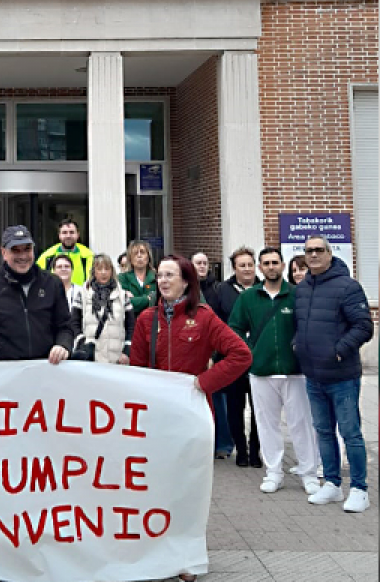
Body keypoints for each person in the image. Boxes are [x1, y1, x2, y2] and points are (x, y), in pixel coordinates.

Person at [128, 254, 252, 582]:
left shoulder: (205, 318)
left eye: (170, 275)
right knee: (153, 488)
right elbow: (137, 370)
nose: (164, 281)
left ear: (186, 281)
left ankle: (185, 558)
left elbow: (241, 354)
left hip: (192, 417)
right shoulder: (146, 319)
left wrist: (203, 383)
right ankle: (153, 552)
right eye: (160, 276)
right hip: (155, 419)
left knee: (187, 490)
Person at [227, 248, 320, 495]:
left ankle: (309, 473)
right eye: (266, 263)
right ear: (260, 267)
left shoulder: (297, 295)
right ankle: (274, 472)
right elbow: (234, 328)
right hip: (261, 371)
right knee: (267, 425)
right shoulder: (248, 298)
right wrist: (250, 352)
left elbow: (310, 326)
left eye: (275, 262)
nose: (271, 267)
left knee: (302, 424)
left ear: (282, 265)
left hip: (295, 371)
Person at [294, 233, 375, 512]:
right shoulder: (303, 288)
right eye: (308, 251)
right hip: (313, 375)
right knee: (323, 431)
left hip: (342, 377)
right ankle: (331, 484)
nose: (313, 255)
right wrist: (298, 345)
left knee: (350, 433)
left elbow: (364, 326)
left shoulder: (348, 287)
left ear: (330, 253)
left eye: (318, 250)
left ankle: (360, 489)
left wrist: (339, 349)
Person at [0, 225, 75, 368]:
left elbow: (65, 327)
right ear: (4, 252)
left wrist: (63, 345)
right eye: (15, 250)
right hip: (2, 372)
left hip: (45, 370)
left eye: (27, 249)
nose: (23, 256)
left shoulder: (52, 283)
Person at [214, 246, 262, 468]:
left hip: (260, 358)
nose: (247, 269)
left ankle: (256, 451)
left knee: (259, 408)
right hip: (232, 358)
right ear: (234, 268)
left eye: (250, 265)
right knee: (235, 407)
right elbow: (216, 322)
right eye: (242, 265)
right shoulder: (222, 290)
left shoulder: (264, 288)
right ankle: (240, 450)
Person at [192, 251, 230, 459]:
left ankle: (223, 444)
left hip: (214, 353)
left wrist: (214, 355)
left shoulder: (218, 290)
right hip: (193, 351)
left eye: (205, 263)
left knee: (218, 400)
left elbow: (221, 322)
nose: (202, 266)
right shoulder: (188, 290)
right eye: (198, 263)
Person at [75, 254, 136, 365]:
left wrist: (127, 350)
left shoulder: (122, 295)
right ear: (93, 271)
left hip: (116, 358)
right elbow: (74, 323)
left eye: (107, 269)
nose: (103, 272)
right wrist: (81, 343)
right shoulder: (83, 294)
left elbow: (131, 325)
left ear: (112, 271)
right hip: (90, 358)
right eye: (99, 269)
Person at [35, 218, 95, 286]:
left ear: (78, 235)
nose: (68, 236)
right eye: (64, 232)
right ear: (59, 235)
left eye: (72, 232)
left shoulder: (88, 256)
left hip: (80, 295)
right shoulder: (47, 257)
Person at [118, 240, 157, 316]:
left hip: (153, 323)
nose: (139, 256)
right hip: (130, 323)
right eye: (135, 253)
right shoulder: (122, 278)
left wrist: (134, 300)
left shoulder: (157, 277)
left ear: (148, 256)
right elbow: (122, 303)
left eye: (142, 252)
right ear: (130, 258)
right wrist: (147, 299)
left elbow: (158, 303)